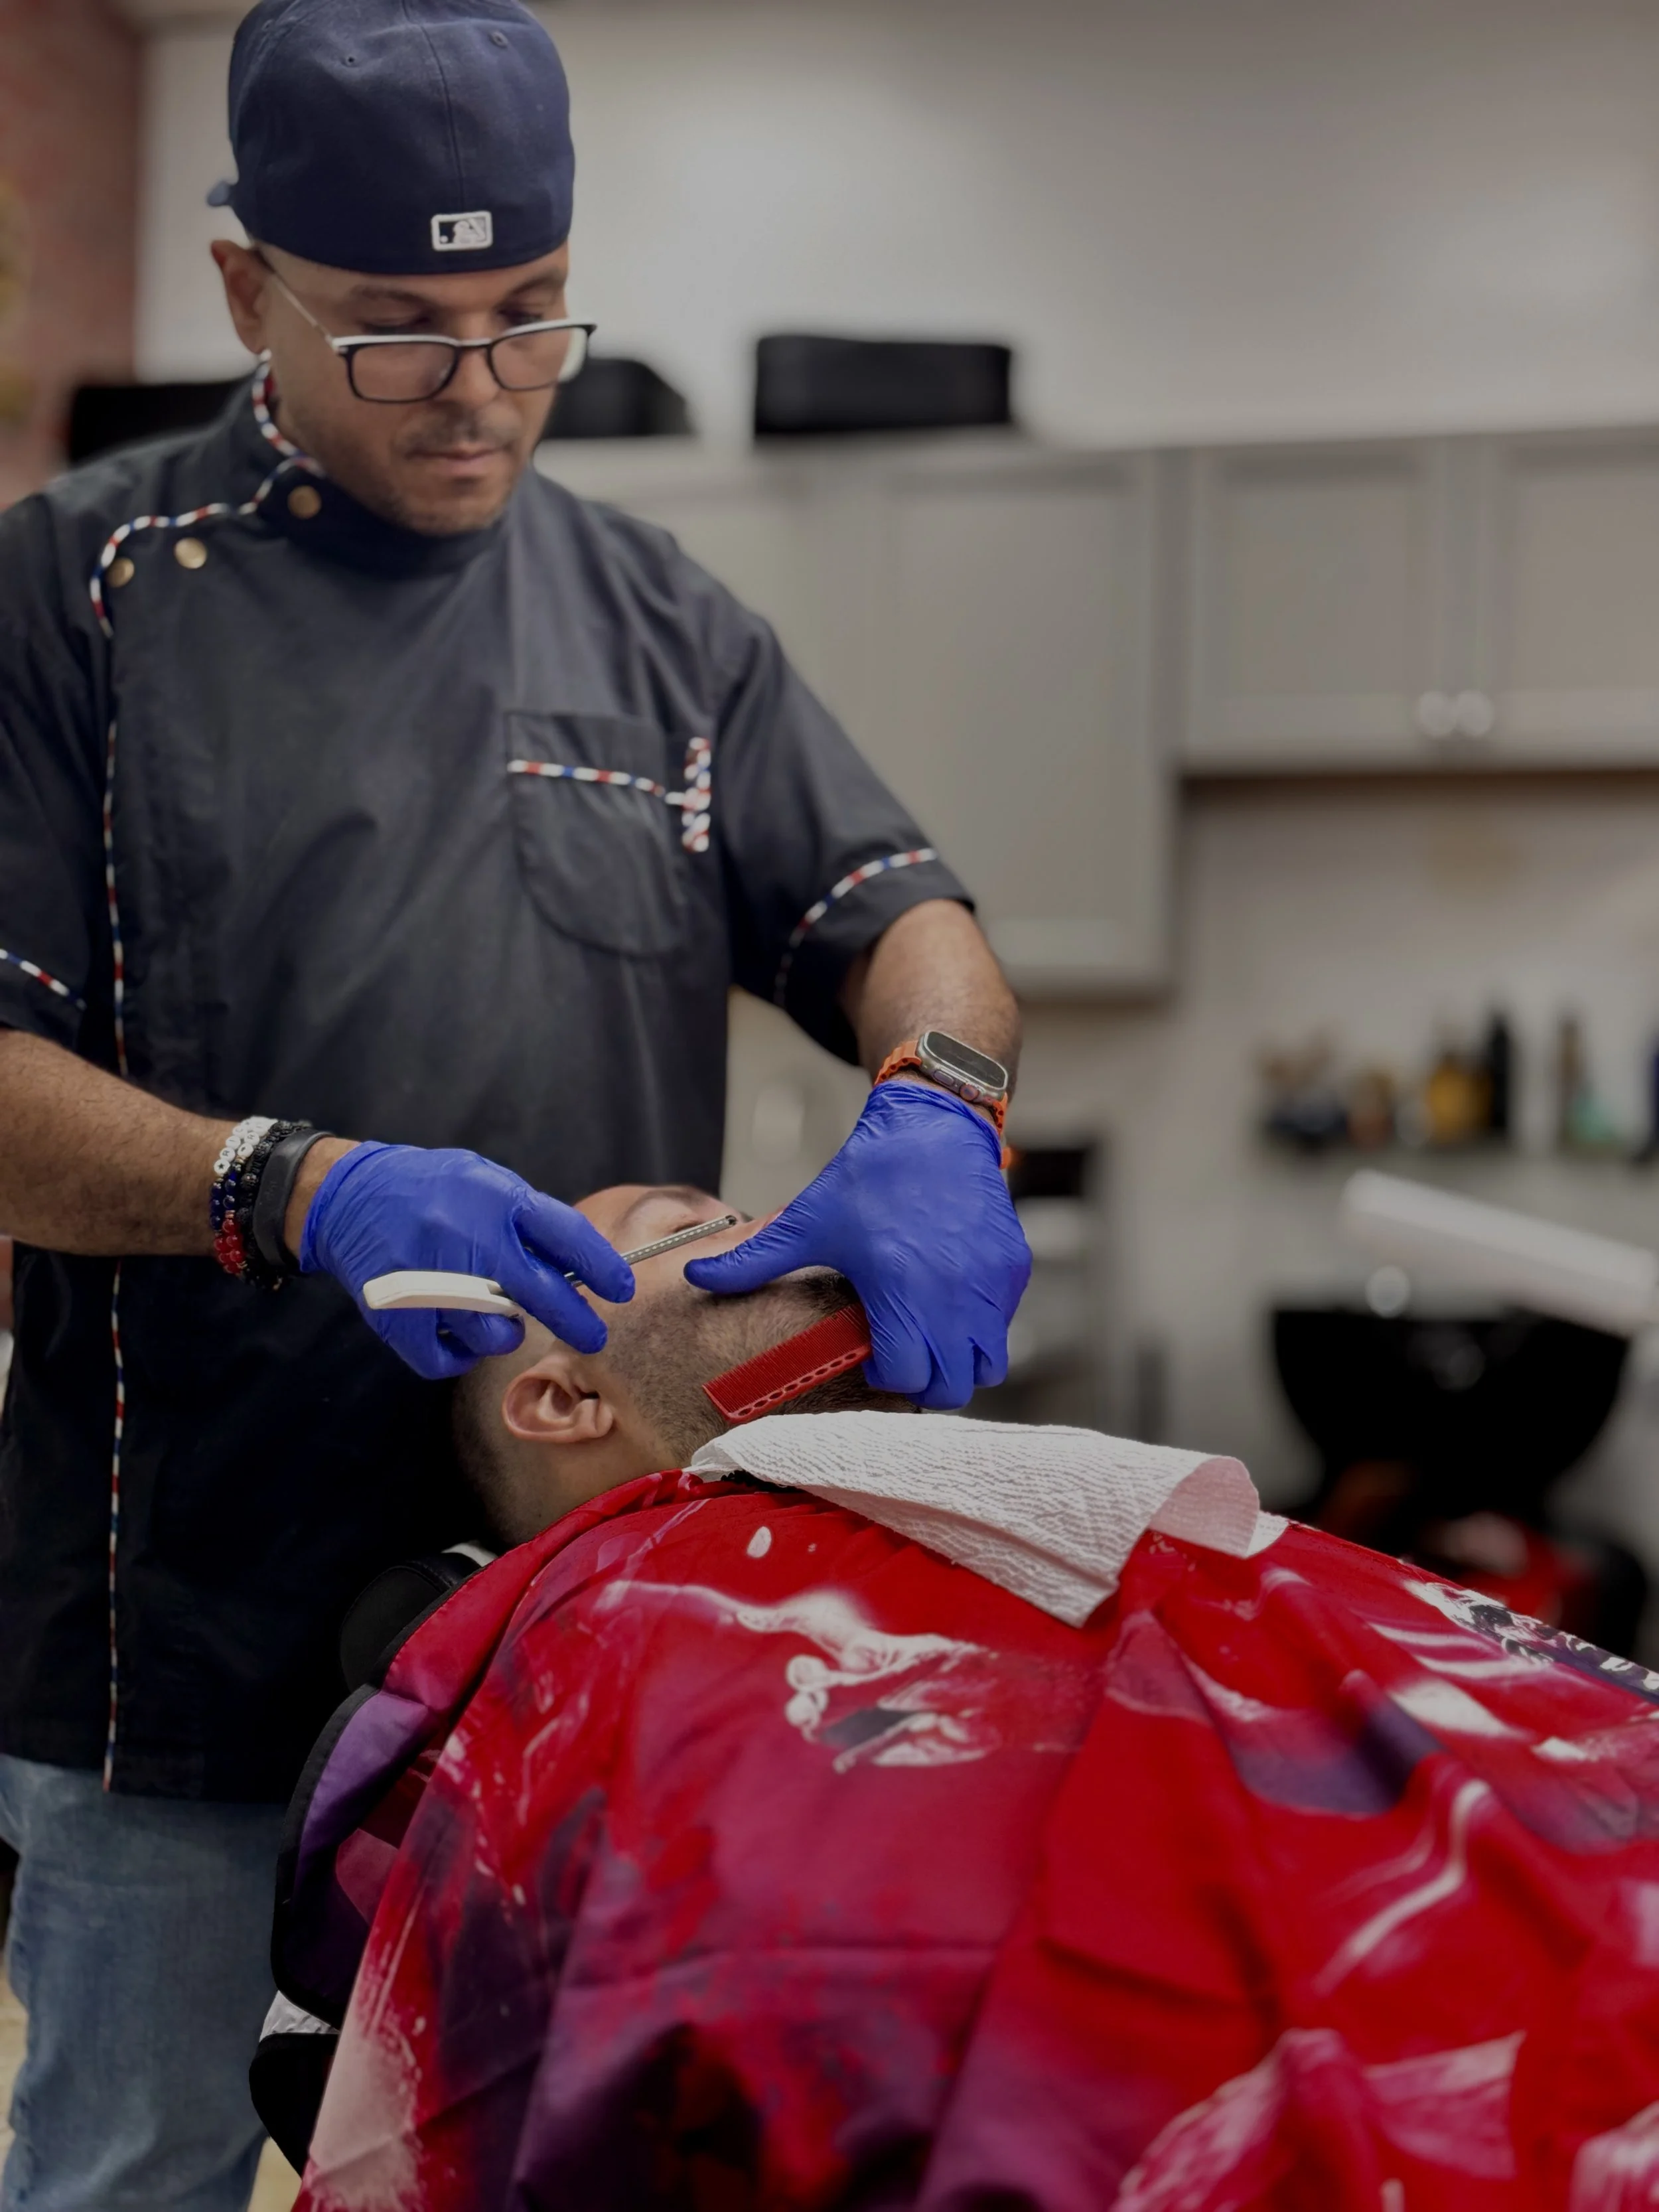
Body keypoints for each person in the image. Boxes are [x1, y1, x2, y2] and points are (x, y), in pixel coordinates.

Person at [0, 3, 1030, 2201]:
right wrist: (283, 1181)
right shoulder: (73, 599)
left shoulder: (664, 622)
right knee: (135, 2165)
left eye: (525, 315)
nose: (478, 385)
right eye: (394, 329)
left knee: (539, 2158)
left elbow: (906, 914)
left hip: (569, 1648)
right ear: (243, 292)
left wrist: (941, 1099)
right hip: (177, 1629)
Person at [269, 1184, 1659, 2209]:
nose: (766, 1214)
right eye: (682, 1218)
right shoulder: (618, 1623)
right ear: (565, 1402)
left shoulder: (1020, 1513)